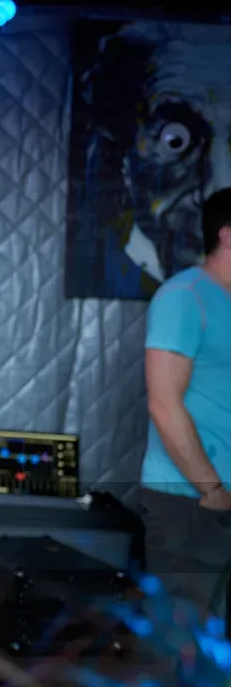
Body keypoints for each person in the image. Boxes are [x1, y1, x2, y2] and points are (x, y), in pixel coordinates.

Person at [141, 186, 231, 620]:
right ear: (228, 236)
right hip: (190, 503)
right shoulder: (183, 296)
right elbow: (163, 403)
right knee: (176, 652)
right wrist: (212, 491)